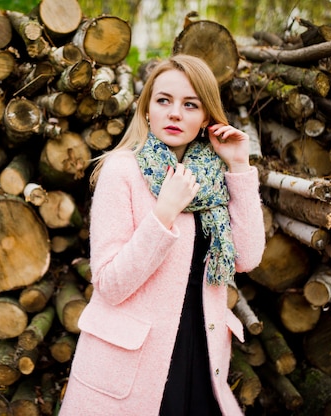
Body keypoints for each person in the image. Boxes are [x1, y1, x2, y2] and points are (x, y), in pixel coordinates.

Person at [58, 54, 266, 416]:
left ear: (206, 118)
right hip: (134, 364)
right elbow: (109, 283)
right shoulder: (120, 171)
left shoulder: (214, 178)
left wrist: (239, 166)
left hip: (201, 352)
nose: (174, 114)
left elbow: (247, 259)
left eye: (190, 105)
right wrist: (164, 213)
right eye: (164, 101)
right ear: (147, 109)